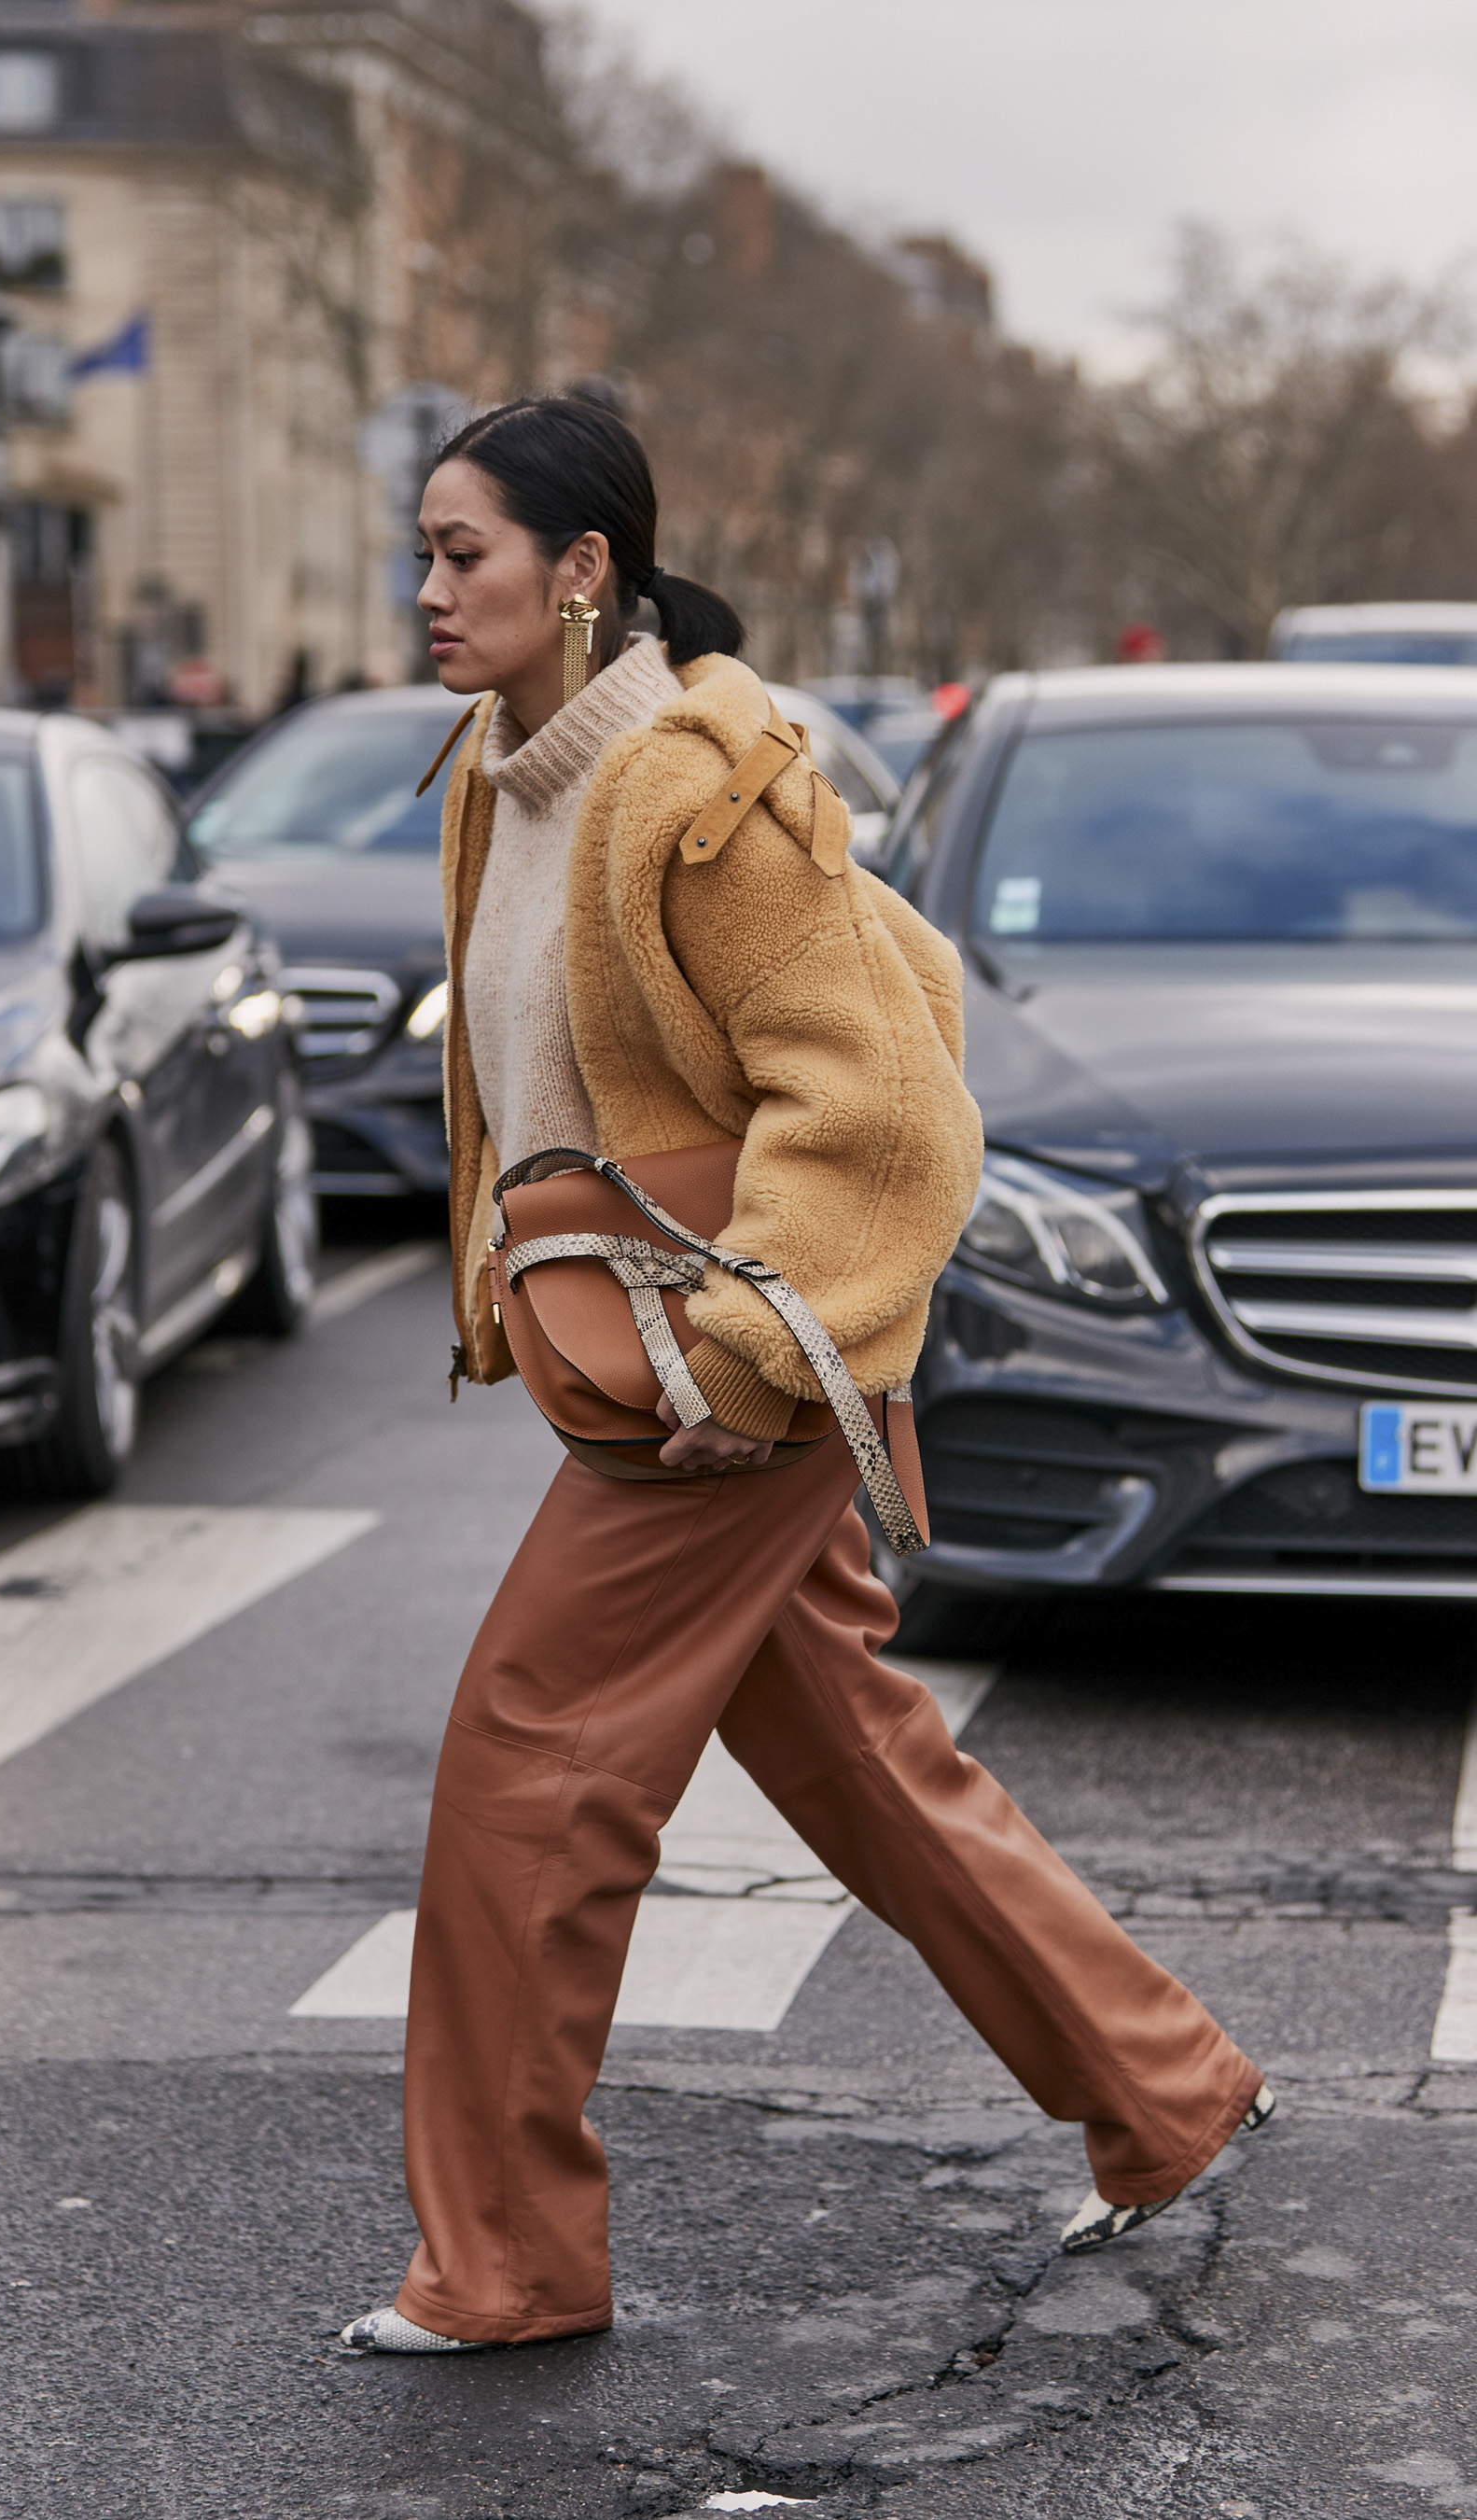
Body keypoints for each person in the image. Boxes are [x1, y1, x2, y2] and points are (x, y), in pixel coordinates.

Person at [341, 397, 1272, 2355]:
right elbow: (901, 961)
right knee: (859, 1754)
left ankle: (504, 2260)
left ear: (582, 571)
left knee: (529, 1770)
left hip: (720, 1385)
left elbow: (891, 1094)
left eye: (461, 552)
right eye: (420, 552)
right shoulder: (502, 771)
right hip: (652, 1358)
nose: (426, 591)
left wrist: (756, 1339)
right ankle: (1167, 2094)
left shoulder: (693, 785)